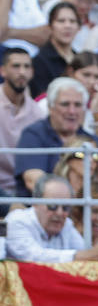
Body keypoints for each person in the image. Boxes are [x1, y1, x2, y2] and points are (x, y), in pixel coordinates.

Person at [14, 76, 98, 197]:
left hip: (87, 212)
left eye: (78, 105)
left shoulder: (95, 142)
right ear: (50, 107)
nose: (72, 111)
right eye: (65, 104)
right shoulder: (33, 135)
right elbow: (33, 181)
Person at [4, 174, 98, 264]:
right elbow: (33, 257)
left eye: (65, 207)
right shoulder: (17, 221)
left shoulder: (66, 225)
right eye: (52, 206)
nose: (60, 213)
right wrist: (86, 255)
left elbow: (86, 252)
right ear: (35, 203)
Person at [0, 48, 43, 200]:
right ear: (3, 71)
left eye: (27, 67)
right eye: (16, 66)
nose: (22, 72)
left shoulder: (37, 112)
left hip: (26, 190)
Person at [30, 1, 81, 98]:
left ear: (78, 27)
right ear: (50, 26)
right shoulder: (39, 61)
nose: (67, 26)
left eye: (72, 21)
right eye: (61, 21)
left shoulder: (80, 59)